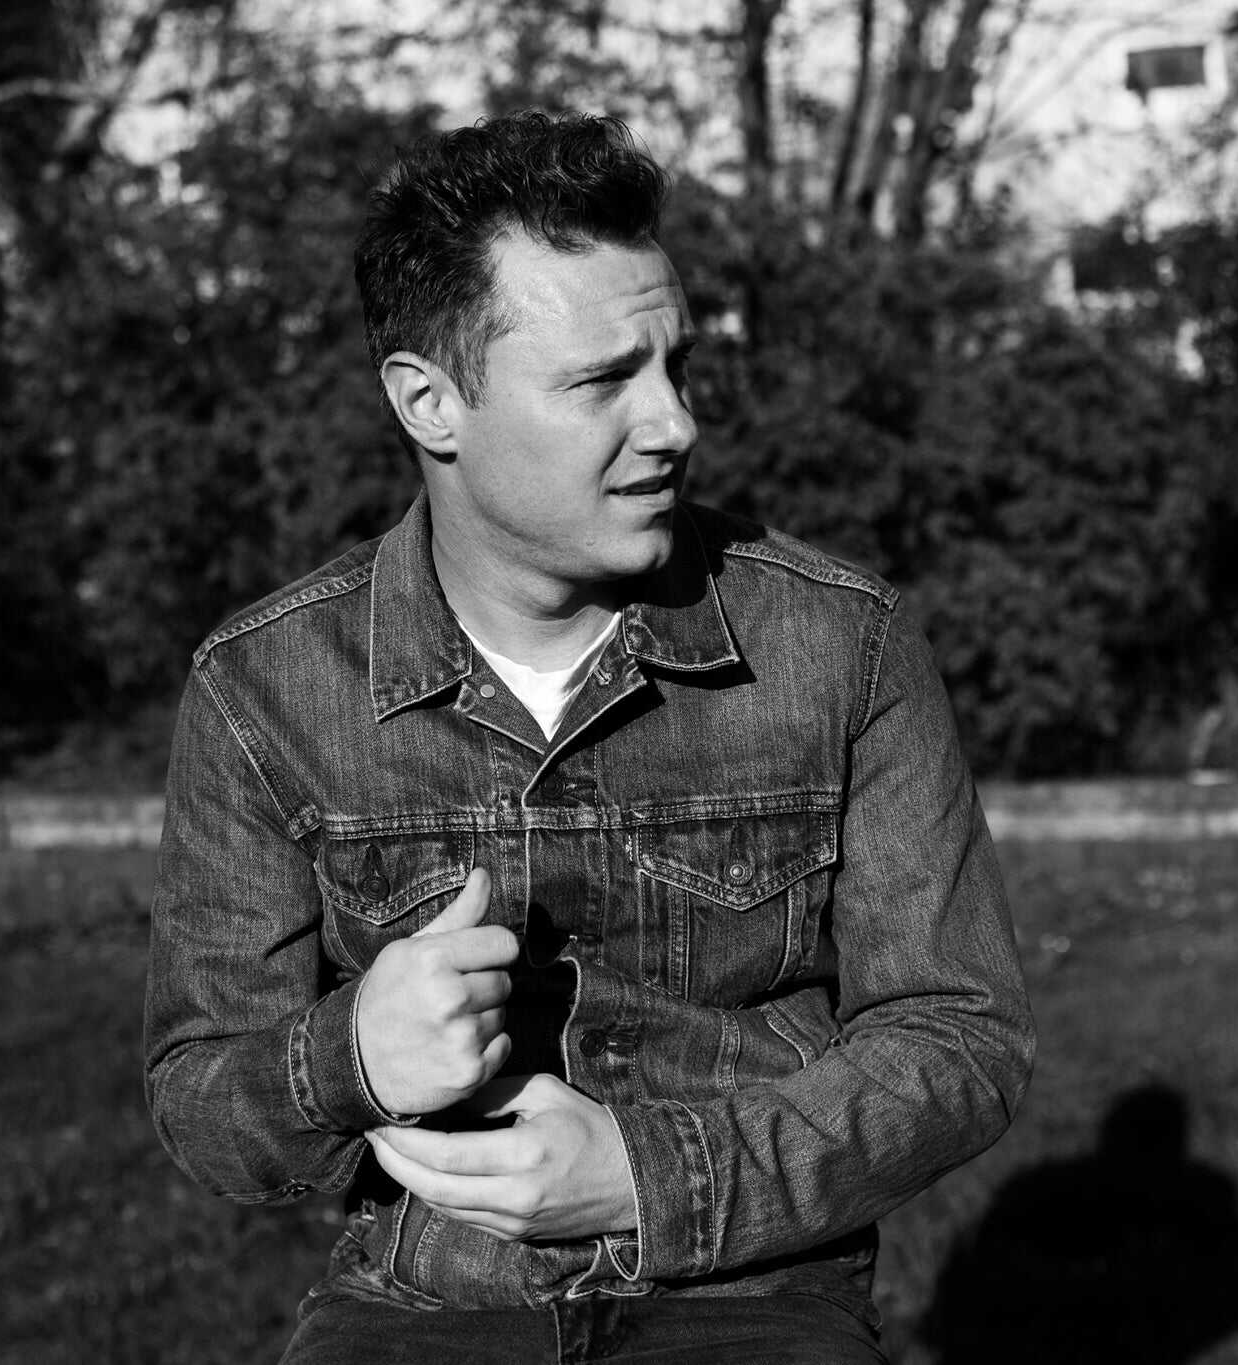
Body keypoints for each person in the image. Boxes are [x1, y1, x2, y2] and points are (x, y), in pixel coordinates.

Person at [142, 110, 1033, 1363]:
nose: (673, 424)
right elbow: (201, 1102)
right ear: (428, 403)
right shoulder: (263, 689)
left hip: (751, 1296)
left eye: (674, 367)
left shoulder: (841, 644)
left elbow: (959, 1037)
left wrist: (647, 1175)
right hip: (423, 1306)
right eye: (601, 381)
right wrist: (350, 1058)